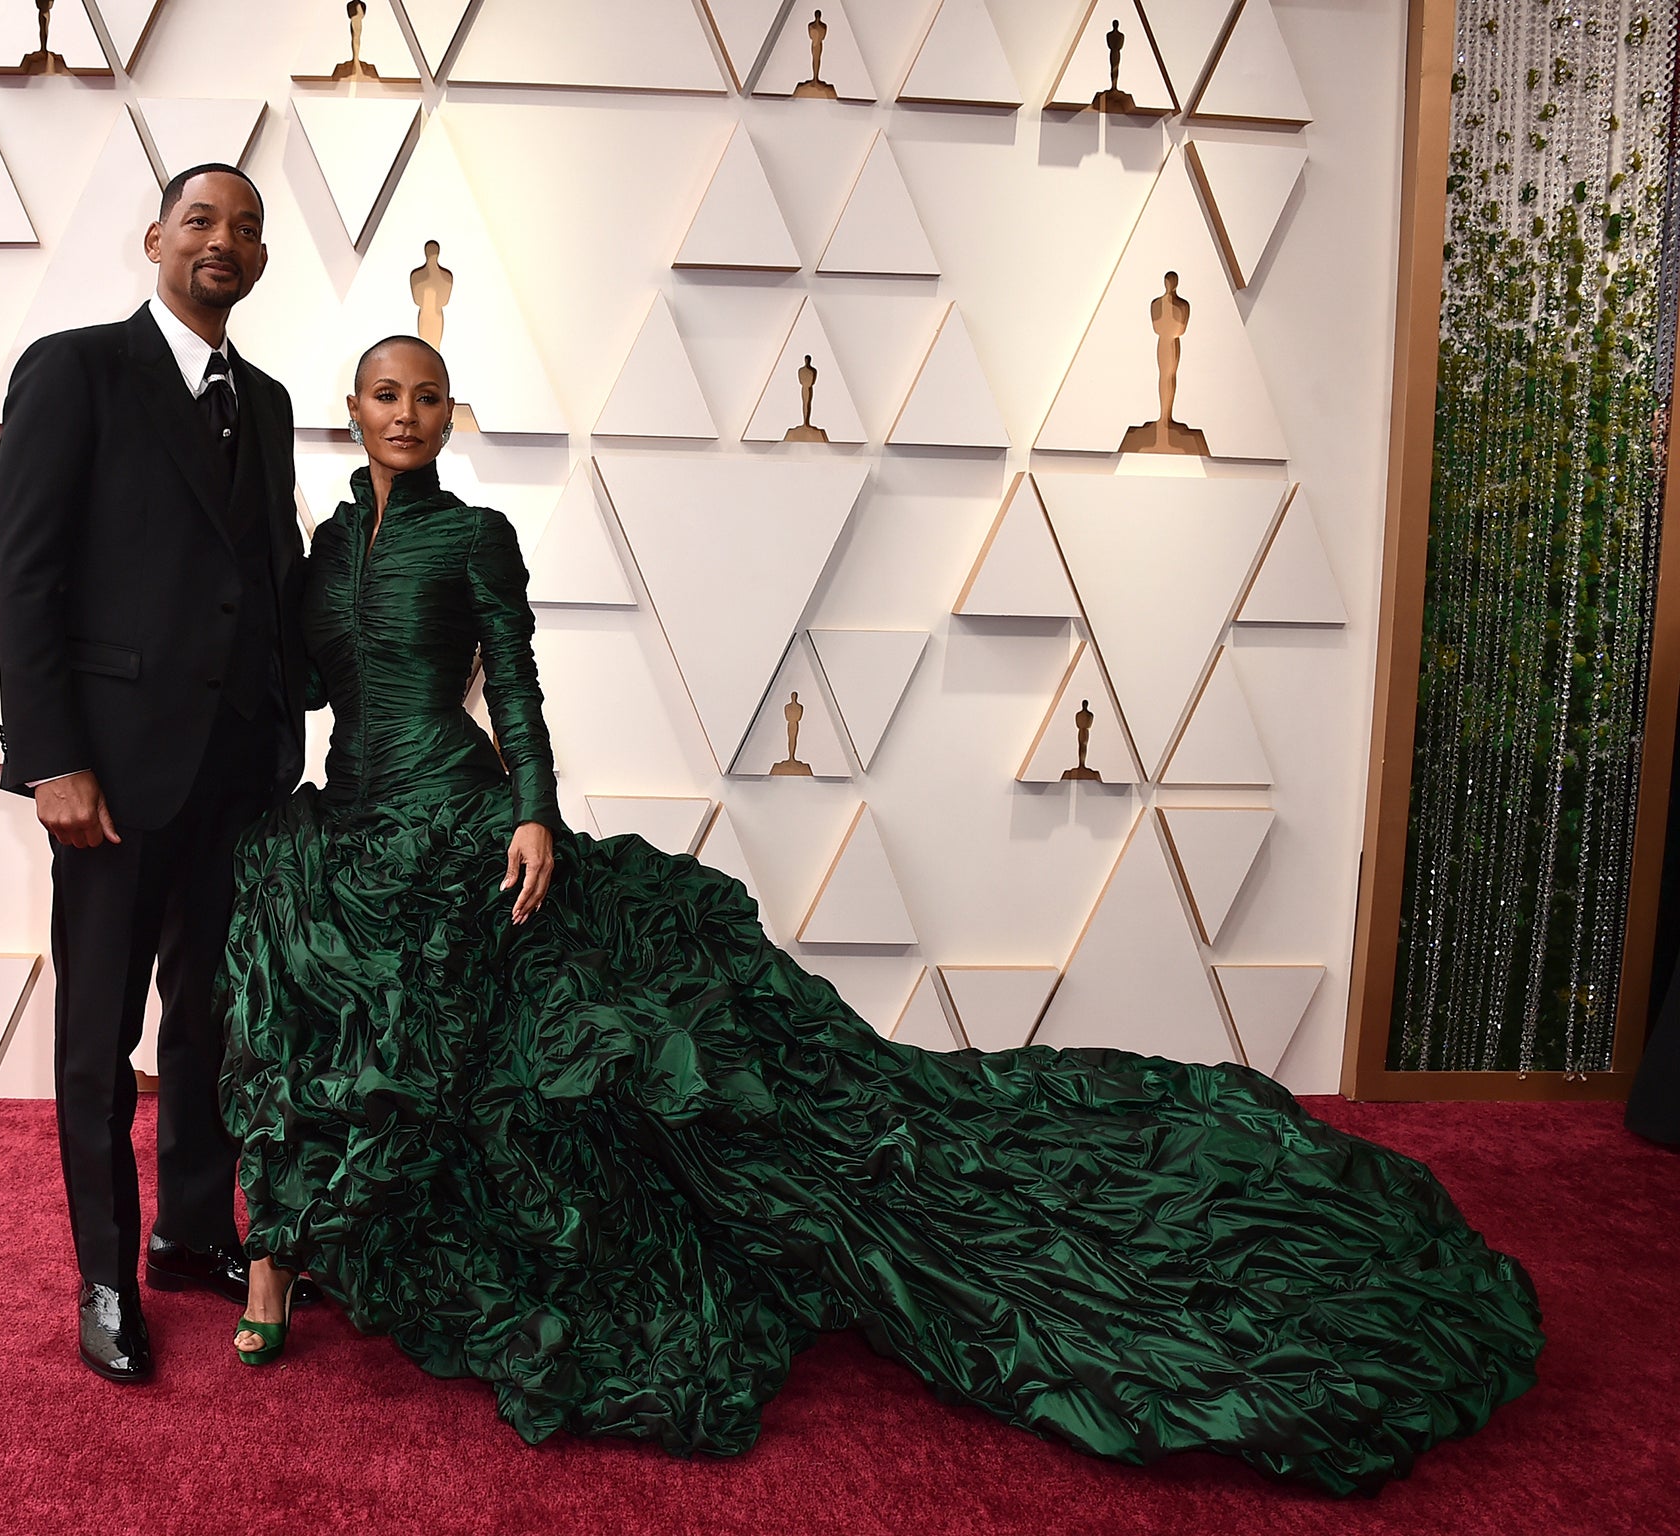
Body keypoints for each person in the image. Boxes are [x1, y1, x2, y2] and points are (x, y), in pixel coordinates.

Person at [215, 337, 1543, 1494]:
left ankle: (365, 1259)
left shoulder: (471, 536)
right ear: (354, 407)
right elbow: (298, 687)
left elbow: (513, 679)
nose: (406, 413)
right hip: (350, 827)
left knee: (613, 1065)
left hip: (465, 820)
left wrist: (534, 812)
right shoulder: (322, 556)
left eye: (429, 397)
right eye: (386, 393)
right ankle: (279, 1262)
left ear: (448, 418)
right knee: (292, 987)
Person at [0, 163, 306, 1384]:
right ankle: (107, 1276)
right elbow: (25, 576)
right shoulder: (74, 369)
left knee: (211, 1021)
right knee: (97, 1032)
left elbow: (268, 575)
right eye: (199, 221)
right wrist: (50, 757)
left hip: (240, 770)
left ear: (261, 259)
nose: (221, 241)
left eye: (244, 227)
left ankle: (188, 1232)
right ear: (153, 240)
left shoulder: (267, 401)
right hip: (110, 776)